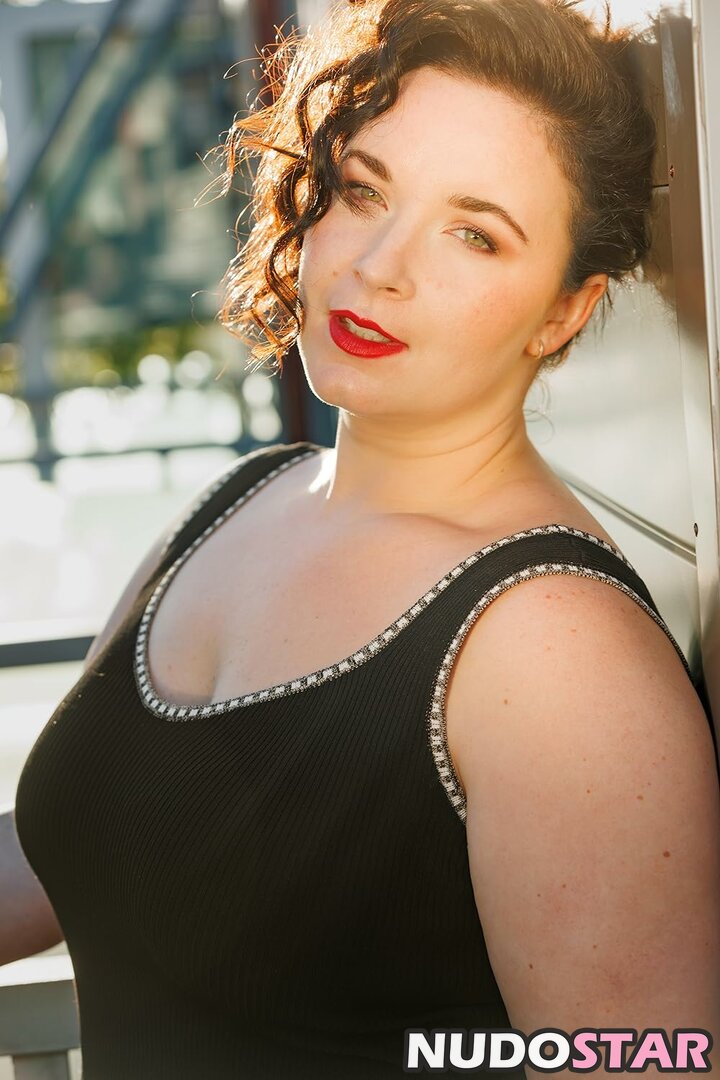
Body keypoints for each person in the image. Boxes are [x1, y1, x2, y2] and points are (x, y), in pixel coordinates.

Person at [3, 0, 720, 1076]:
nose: (381, 264)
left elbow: (642, 1059)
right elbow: (92, 844)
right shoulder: (245, 498)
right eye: (363, 190)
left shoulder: (559, 650)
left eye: (475, 234)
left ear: (563, 312)